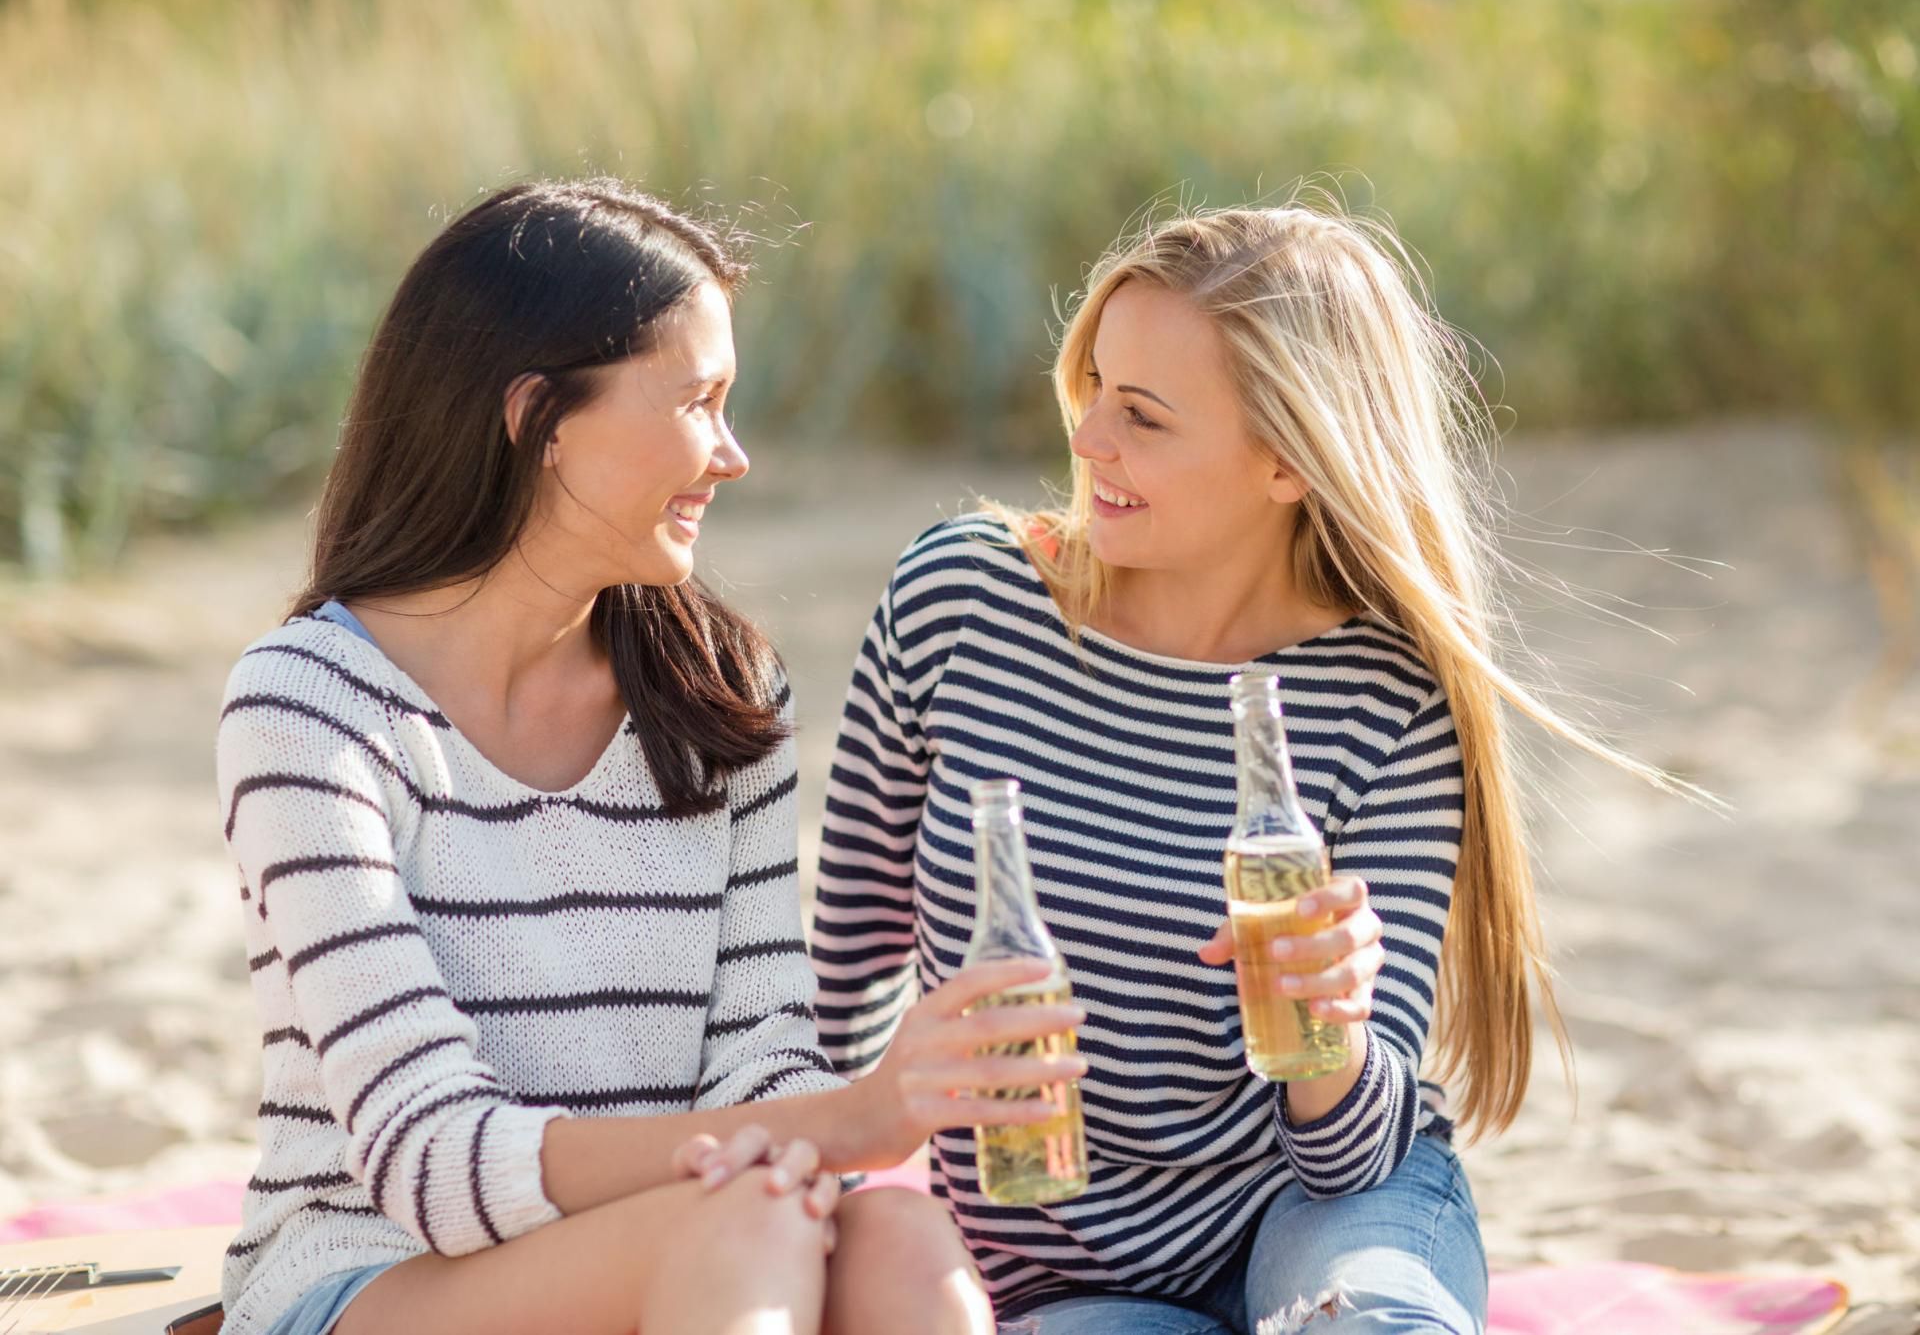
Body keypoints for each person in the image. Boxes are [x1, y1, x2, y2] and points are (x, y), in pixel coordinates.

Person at [214, 178, 1084, 1335]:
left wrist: (806, 1140)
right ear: (538, 420)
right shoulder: (310, 706)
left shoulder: (718, 693)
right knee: (748, 1224)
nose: (732, 455)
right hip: (372, 1277)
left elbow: (765, 1062)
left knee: (899, 1239)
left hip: (695, 1242)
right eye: (698, 402)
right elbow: (433, 1162)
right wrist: (845, 1125)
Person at [810, 200, 1691, 1333]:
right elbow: (837, 988)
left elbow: (1352, 1153)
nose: (1087, 441)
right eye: (1092, 390)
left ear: (1288, 462)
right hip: (1074, 1268)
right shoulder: (961, 602)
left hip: (1328, 1207)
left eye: (1144, 417)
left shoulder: (1386, 697)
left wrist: (1332, 1019)